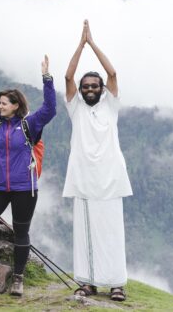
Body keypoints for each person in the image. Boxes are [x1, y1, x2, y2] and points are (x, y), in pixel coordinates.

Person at [0, 26, 56, 297]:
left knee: (21, 234)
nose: (0, 106)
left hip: (24, 188)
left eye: (4, 103)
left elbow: (50, 109)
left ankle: (18, 278)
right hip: (1, 186)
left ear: (16, 105)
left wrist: (47, 78)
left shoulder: (29, 125)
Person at [64, 20, 131, 302]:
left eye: (95, 85)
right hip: (84, 179)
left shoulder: (110, 105)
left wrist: (93, 44)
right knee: (85, 234)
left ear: (102, 89)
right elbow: (68, 78)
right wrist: (79, 46)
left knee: (113, 232)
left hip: (111, 179)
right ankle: (87, 283)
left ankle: (116, 284)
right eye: (86, 86)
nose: (90, 88)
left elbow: (112, 72)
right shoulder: (76, 107)